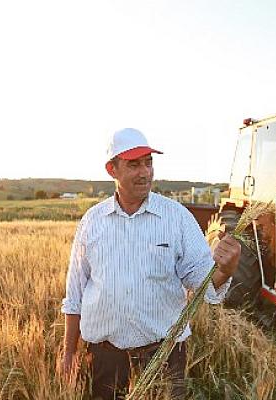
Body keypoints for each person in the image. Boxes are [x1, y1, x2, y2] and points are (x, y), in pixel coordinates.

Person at [58, 128, 242, 399]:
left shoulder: (177, 217)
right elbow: (75, 294)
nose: (144, 172)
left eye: (148, 162)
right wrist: (69, 352)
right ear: (112, 170)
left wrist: (226, 269)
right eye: (134, 164)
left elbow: (202, 282)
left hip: (164, 356)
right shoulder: (92, 221)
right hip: (105, 358)